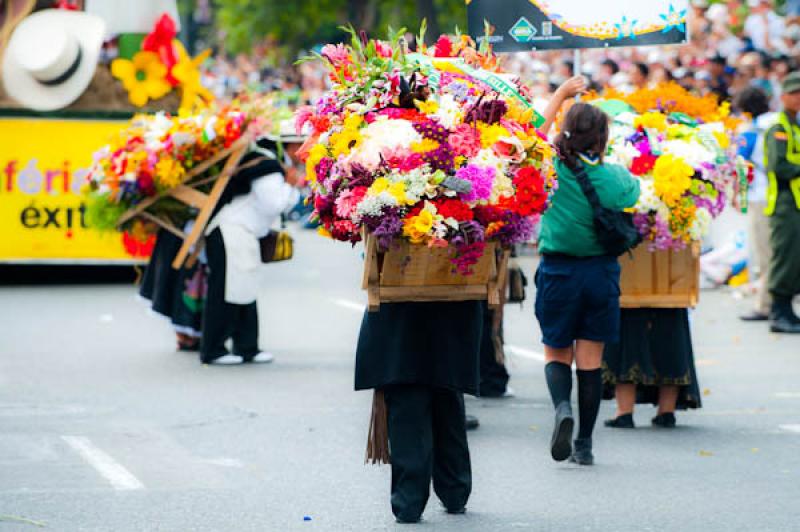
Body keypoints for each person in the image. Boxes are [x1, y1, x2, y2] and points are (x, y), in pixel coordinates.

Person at [355, 77, 587, 524]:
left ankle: (409, 501)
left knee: (409, 393)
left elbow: (528, 145)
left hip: (404, 295)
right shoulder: (475, 145)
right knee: (445, 392)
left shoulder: (383, 145)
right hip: (454, 289)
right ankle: (455, 490)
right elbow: (529, 143)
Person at [535, 103, 640, 466]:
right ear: (602, 137)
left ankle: (562, 406)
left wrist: (561, 94)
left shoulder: (551, 166)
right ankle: (584, 444)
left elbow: (528, 138)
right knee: (590, 362)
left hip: (558, 272)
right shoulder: (614, 178)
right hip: (600, 275)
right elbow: (634, 194)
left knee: (555, 351)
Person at [200, 127, 305, 364]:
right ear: (291, 146)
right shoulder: (269, 168)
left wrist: (290, 185)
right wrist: (291, 185)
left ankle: (247, 347)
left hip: (239, 234)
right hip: (231, 231)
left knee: (244, 288)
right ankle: (213, 349)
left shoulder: (273, 165)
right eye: (303, 144)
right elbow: (273, 205)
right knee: (225, 292)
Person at [602, 308, 703, 429]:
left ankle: (625, 413)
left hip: (629, 295)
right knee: (669, 338)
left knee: (629, 341)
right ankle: (666, 412)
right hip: (670, 294)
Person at [763, 72, 800, 334]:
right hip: (784, 205)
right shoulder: (779, 129)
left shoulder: (795, 126)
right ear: (783, 95)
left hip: (796, 204)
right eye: (794, 93)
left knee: (795, 259)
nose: (798, 98)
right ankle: (779, 312)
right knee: (785, 258)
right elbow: (780, 166)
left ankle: (787, 311)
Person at [734, 87, 775, 321]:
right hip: (785, 194)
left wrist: (739, 196)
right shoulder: (779, 121)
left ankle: (765, 304)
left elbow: (742, 166)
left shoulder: (750, 131)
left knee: (765, 253)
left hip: (761, 196)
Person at [139, 227, 207, 351]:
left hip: (188, 233)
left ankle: (193, 333)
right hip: (178, 235)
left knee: (188, 283)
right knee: (178, 282)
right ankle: (186, 334)